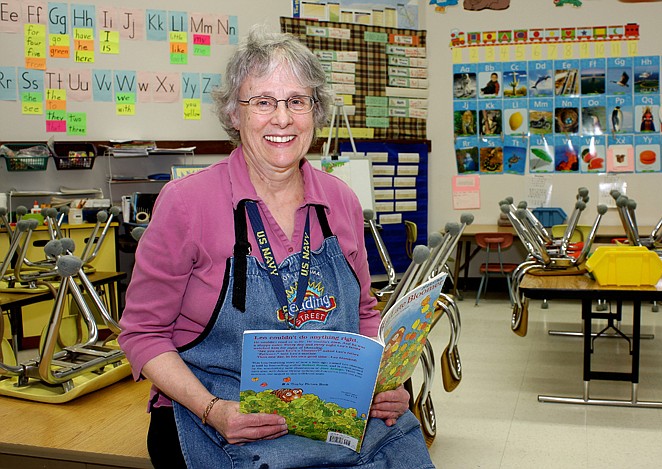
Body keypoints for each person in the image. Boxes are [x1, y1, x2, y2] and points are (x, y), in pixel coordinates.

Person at [118, 25, 435, 469]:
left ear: (315, 111)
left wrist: (383, 384)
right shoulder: (187, 203)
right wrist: (213, 410)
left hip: (332, 413)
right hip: (216, 414)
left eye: (297, 101)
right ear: (235, 113)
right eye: (263, 102)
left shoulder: (340, 201)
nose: (282, 119)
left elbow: (364, 314)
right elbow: (143, 333)